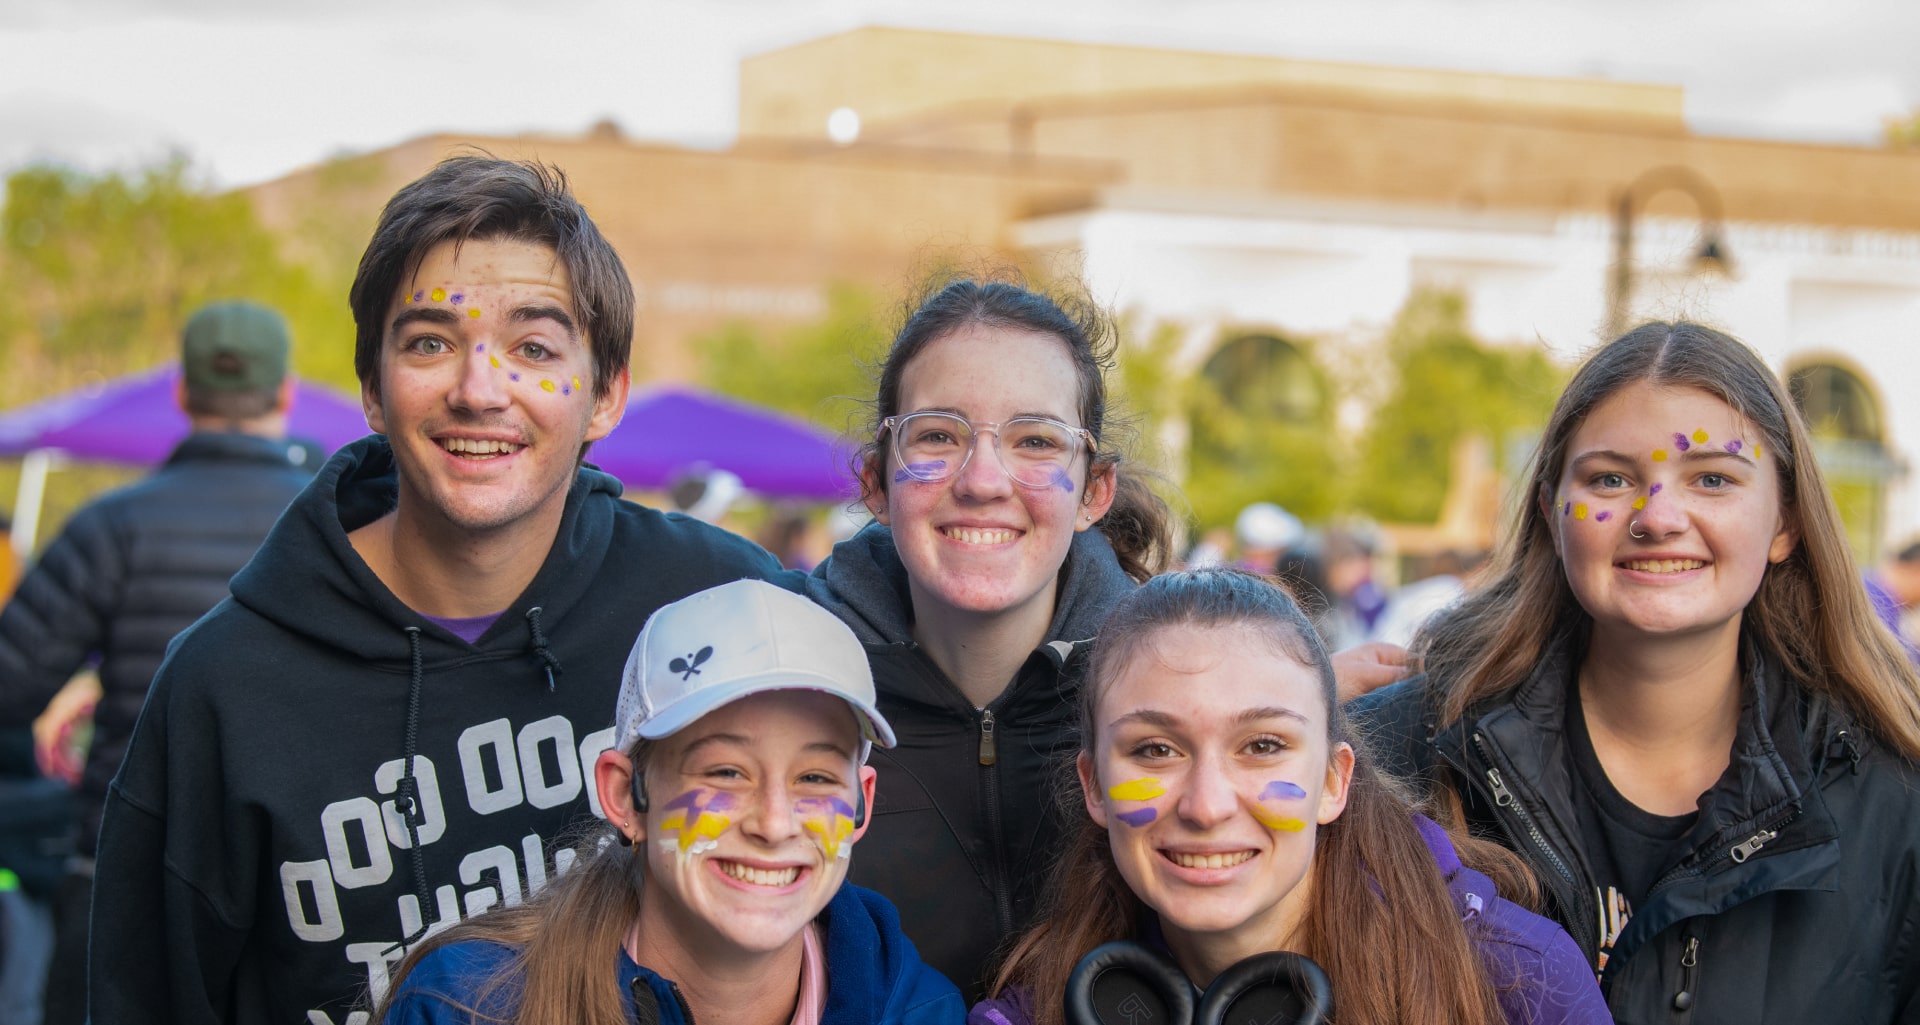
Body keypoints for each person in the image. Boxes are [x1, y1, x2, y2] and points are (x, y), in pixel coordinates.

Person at [88, 158, 787, 1025]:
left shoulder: (723, 605)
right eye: (428, 342)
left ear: (606, 394)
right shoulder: (221, 685)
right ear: (372, 390)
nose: (477, 389)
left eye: (533, 348)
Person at [805, 279, 1407, 999]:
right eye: (938, 434)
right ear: (875, 480)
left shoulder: (1175, 690)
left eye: (1035, 440)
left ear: (1095, 491)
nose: (984, 479)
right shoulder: (788, 690)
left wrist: (1280, 709)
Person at [1349, 322, 1920, 1022]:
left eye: (1712, 479)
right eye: (1610, 478)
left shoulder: (1895, 799)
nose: (1659, 517)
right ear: (1549, 508)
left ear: (1785, 522)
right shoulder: (1389, 756)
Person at [975, 569, 1609, 1025]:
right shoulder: (1037, 1006)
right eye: (1156, 750)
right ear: (1094, 787)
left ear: (1333, 781)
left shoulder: (1521, 983)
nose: (1207, 805)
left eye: (1261, 746)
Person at [375, 579, 964, 1025]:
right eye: (726, 771)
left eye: (814, 778)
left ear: (860, 804)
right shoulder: (466, 1005)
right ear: (623, 796)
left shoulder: (926, 1011)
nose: (775, 823)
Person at [0, 300, 317, 1025]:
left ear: (182, 391)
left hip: (123, 873)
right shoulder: (343, 528)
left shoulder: (112, 525)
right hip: (301, 876)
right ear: (286, 393)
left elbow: (9, 685)